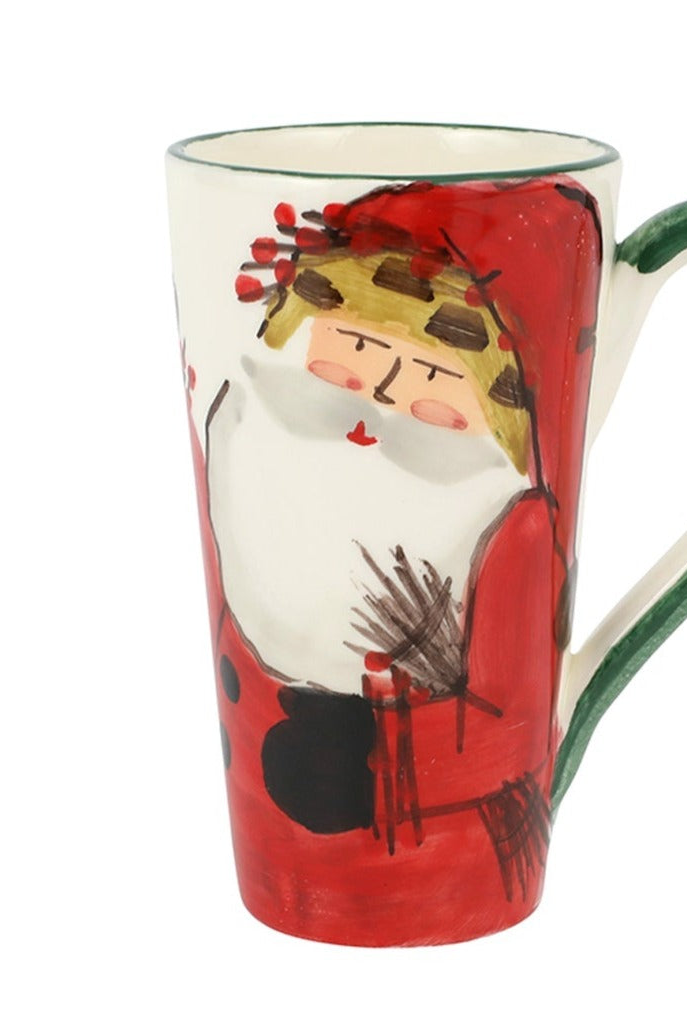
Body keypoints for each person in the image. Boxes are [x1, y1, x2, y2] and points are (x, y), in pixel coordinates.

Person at [187, 176, 603, 945]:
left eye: (426, 390)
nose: (367, 416)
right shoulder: (247, 435)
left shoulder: (508, 525)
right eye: (347, 361)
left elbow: (507, 726)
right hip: (274, 874)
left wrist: (366, 765)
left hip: (435, 877)